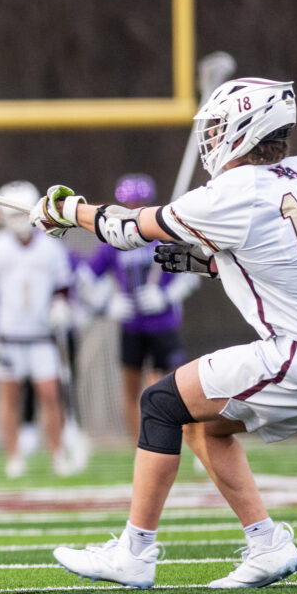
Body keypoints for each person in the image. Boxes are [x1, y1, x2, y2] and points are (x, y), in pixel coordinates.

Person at [30, 78, 297, 588]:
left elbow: (126, 229)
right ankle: (267, 544)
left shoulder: (236, 192)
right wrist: (214, 264)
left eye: (216, 128)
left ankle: (134, 554)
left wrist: (65, 210)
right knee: (201, 424)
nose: (210, 139)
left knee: (160, 402)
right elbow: (286, 256)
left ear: (243, 129)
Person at [0, 180, 85, 478]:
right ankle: (14, 457)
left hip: (41, 335)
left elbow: (63, 286)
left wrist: (62, 306)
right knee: (9, 396)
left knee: (50, 394)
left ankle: (58, 454)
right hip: (8, 335)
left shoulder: (50, 248)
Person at [84, 173, 200, 441]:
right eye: (130, 204)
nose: (134, 209)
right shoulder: (113, 242)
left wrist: (166, 296)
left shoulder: (165, 235)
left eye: (139, 203)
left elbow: (193, 275)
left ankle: (191, 438)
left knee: (179, 387)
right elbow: (86, 279)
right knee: (132, 389)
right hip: (131, 326)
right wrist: (106, 304)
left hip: (164, 324)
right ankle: (139, 444)